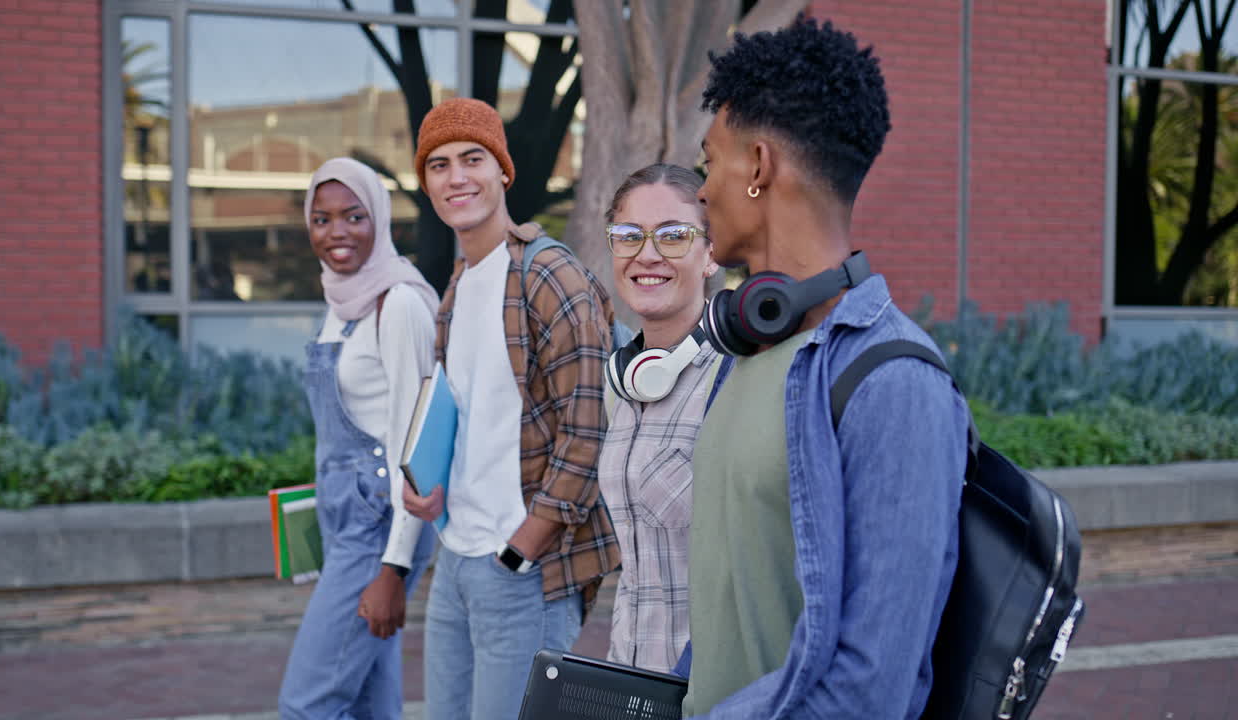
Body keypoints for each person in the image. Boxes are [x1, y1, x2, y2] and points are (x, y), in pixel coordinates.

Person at [675, 17, 971, 718]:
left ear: (758, 165)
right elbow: (733, 603)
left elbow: (871, 689)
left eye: (707, 163)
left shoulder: (895, 385)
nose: (700, 190)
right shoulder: (750, 352)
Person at [401, 98, 621, 720]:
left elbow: (590, 429)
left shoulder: (548, 275)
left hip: (522, 569)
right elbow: (470, 419)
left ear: (503, 171)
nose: (457, 177)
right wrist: (431, 486)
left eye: (473, 159)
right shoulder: (458, 286)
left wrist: (522, 548)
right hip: (456, 560)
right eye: (438, 166)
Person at [279, 157, 440, 720]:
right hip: (348, 520)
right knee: (373, 706)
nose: (337, 233)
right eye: (322, 220)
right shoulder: (340, 301)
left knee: (308, 704)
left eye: (354, 217)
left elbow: (413, 446)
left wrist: (392, 571)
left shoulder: (397, 304)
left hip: (379, 529)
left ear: (380, 220)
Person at [597, 163, 719, 674]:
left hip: (709, 692)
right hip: (630, 677)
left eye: (673, 235)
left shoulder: (738, 379)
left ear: (712, 252)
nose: (647, 254)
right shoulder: (621, 384)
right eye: (629, 236)